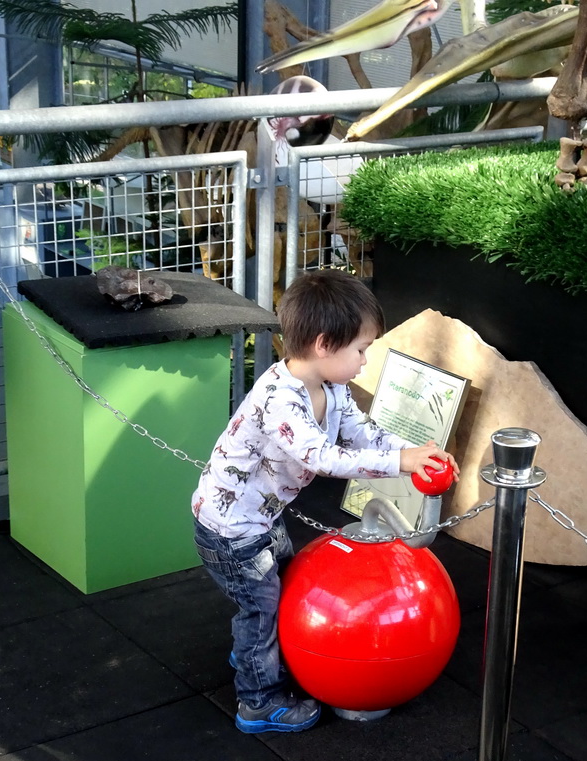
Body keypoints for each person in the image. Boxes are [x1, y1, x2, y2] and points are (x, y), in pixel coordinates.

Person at [192, 270, 459, 735]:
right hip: (230, 527)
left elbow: (362, 432)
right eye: (360, 349)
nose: (364, 359)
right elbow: (325, 457)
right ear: (322, 344)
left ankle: (260, 651)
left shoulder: (330, 385)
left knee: (283, 583)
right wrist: (399, 461)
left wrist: (414, 453)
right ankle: (258, 699)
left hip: (260, 516)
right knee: (260, 607)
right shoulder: (280, 399)